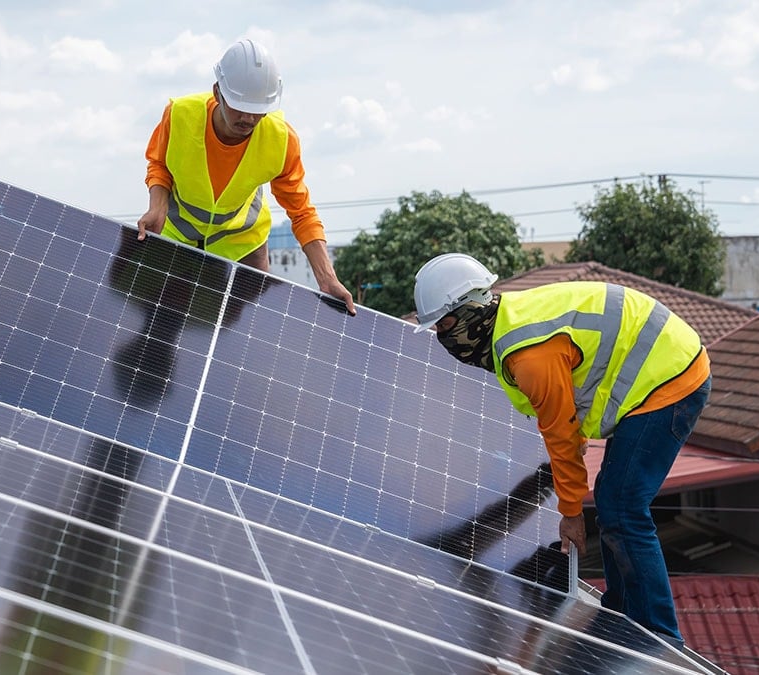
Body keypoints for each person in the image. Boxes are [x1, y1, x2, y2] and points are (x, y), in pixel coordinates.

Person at [412, 252, 711, 647]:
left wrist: (570, 512)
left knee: (623, 505)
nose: (443, 338)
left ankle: (658, 637)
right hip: (659, 368)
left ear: (471, 311)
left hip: (671, 379)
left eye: (446, 325)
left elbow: (561, 432)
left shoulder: (528, 355)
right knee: (612, 498)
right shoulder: (508, 325)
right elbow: (568, 415)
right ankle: (622, 610)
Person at [136, 38, 356, 315]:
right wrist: (156, 207)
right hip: (178, 235)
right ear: (218, 92)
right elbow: (159, 163)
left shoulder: (281, 140)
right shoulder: (180, 115)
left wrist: (327, 278)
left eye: (258, 110)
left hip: (244, 245)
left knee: (247, 332)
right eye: (240, 106)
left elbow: (302, 212)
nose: (249, 119)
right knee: (164, 319)